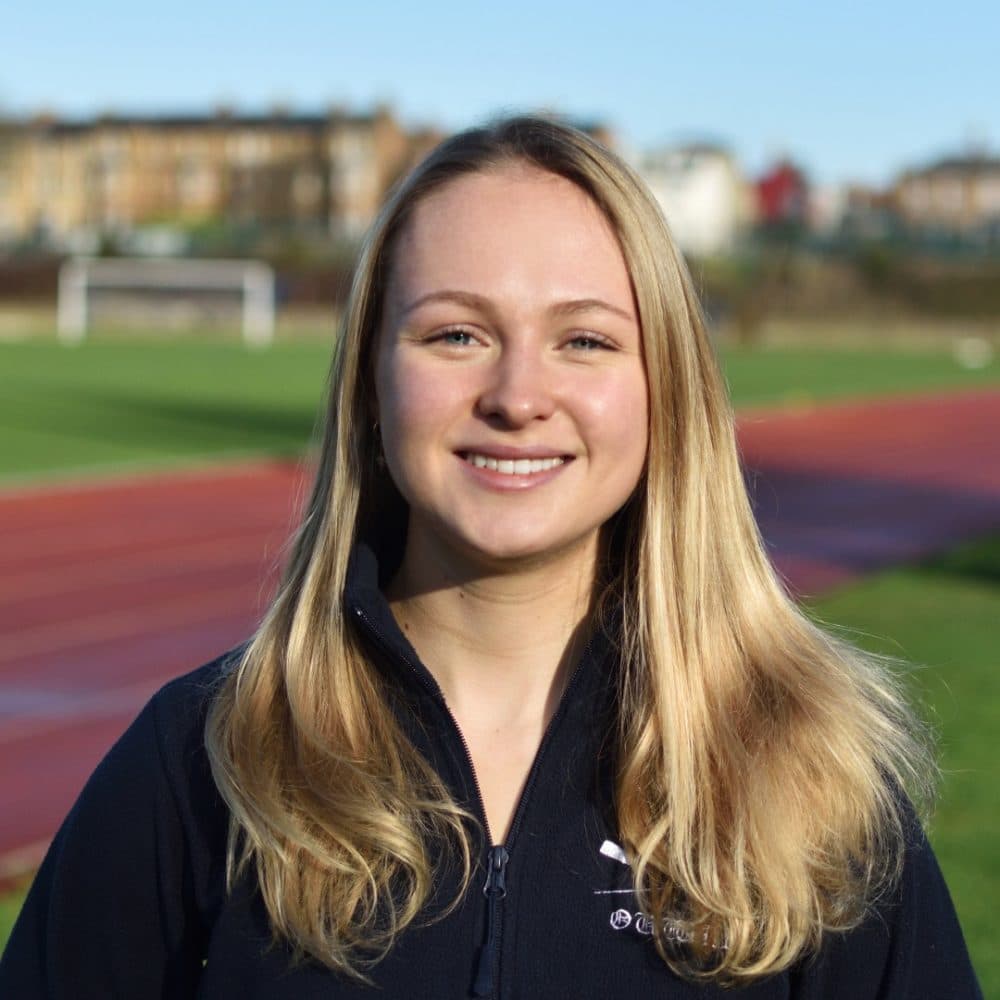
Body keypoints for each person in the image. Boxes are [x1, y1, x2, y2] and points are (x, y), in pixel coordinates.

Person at [0, 115, 982, 999]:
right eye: (457, 333)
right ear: (372, 380)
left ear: (663, 390)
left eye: (584, 341)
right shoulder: (208, 758)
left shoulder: (807, 776)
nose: (518, 394)